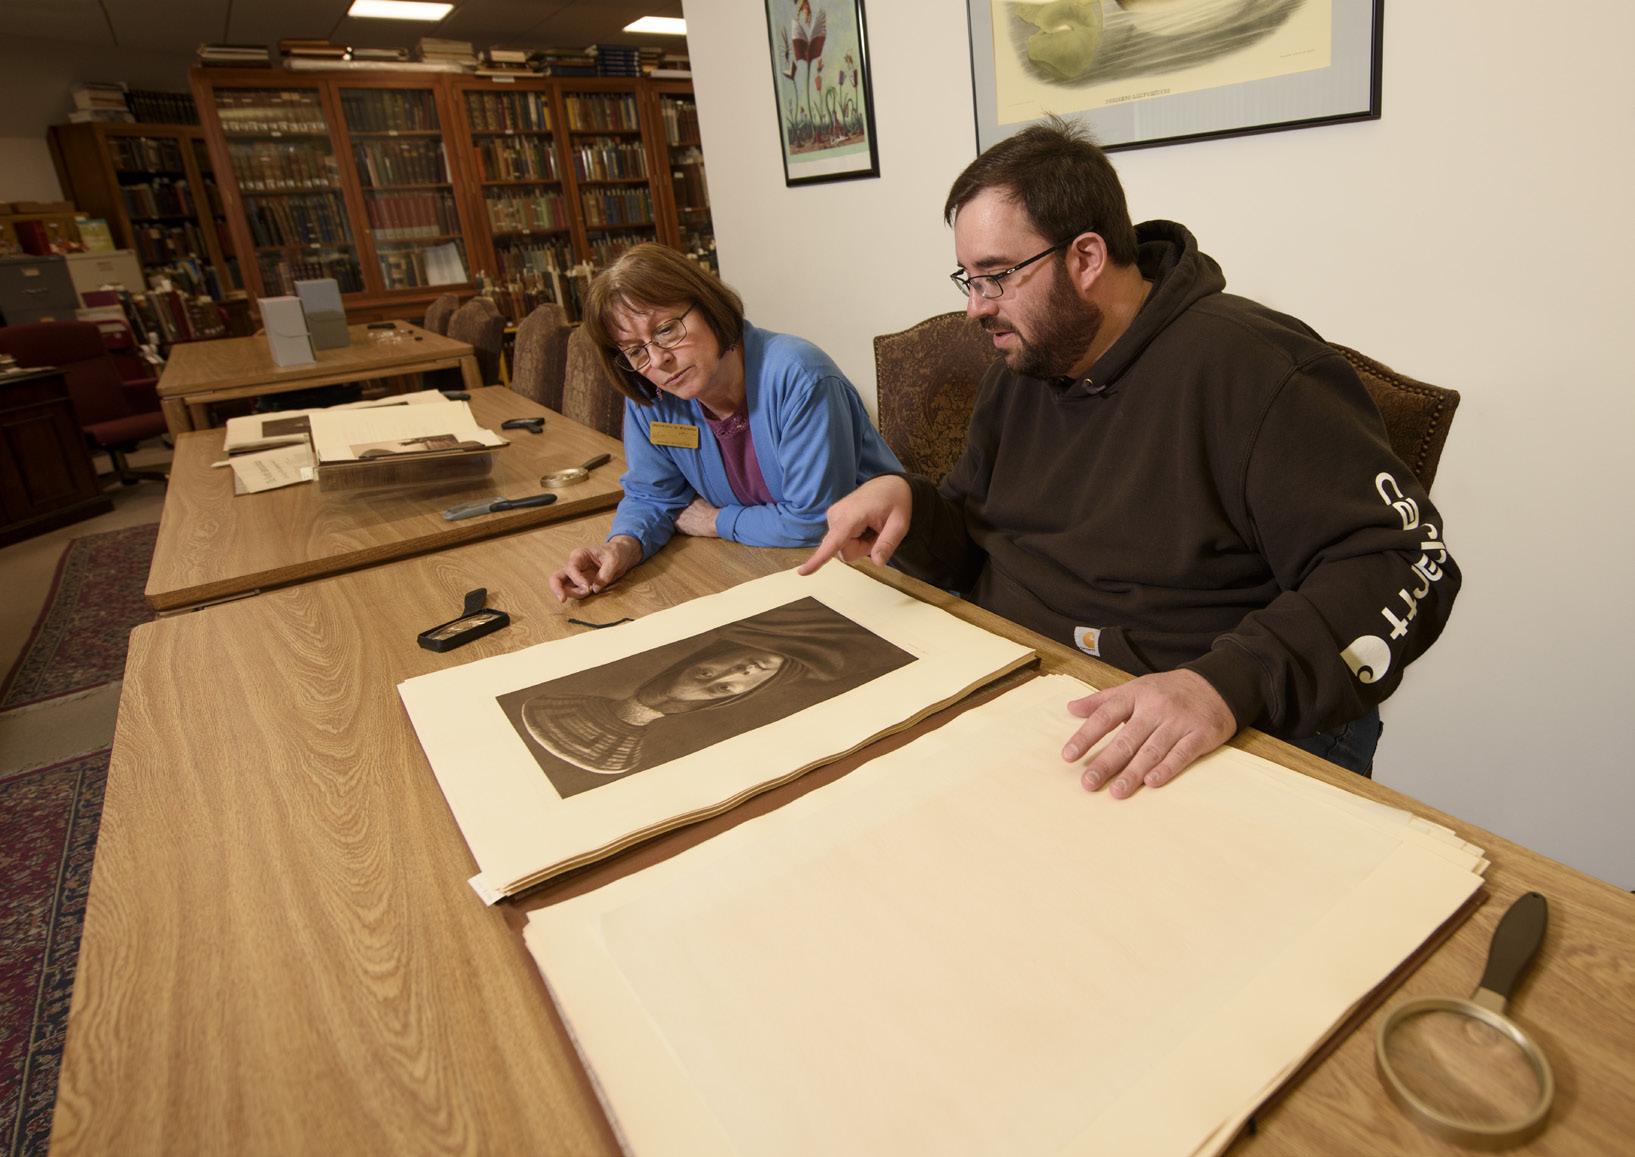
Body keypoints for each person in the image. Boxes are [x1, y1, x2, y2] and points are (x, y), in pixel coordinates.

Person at [802, 116, 1459, 797]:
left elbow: (1404, 561)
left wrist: (1221, 685)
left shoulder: (1255, 370)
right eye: (967, 280)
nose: (975, 309)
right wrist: (910, 504)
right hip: (1021, 685)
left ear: (1085, 258)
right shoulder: (1024, 366)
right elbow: (977, 539)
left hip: (1199, 718)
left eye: (995, 277)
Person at [548, 244, 901, 601]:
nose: (657, 360)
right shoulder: (652, 397)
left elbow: (816, 521)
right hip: (766, 569)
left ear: (708, 307)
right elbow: (652, 495)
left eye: (667, 330)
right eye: (636, 351)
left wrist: (714, 521)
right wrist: (622, 547)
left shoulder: (800, 376)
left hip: (877, 574)